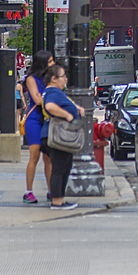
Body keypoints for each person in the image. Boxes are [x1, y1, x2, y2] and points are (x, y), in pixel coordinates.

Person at [41, 64, 85, 210]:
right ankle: (57, 201)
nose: (65, 79)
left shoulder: (53, 92)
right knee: (59, 168)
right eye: (63, 76)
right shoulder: (53, 92)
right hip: (58, 136)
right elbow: (50, 106)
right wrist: (67, 115)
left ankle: (60, 199)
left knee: (64, 167)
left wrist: (76, 108)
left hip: (55, 135)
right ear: (54, 79)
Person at [22, 50, 54, 205]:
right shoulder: (31, 78)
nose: (52, 64)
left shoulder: (49, 79)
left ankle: (50, 190)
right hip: (35, 119)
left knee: (48, 158)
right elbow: (37, 98)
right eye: (50, 61)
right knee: (34, 156)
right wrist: (52, 99)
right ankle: (28, 191)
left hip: (47, 119)